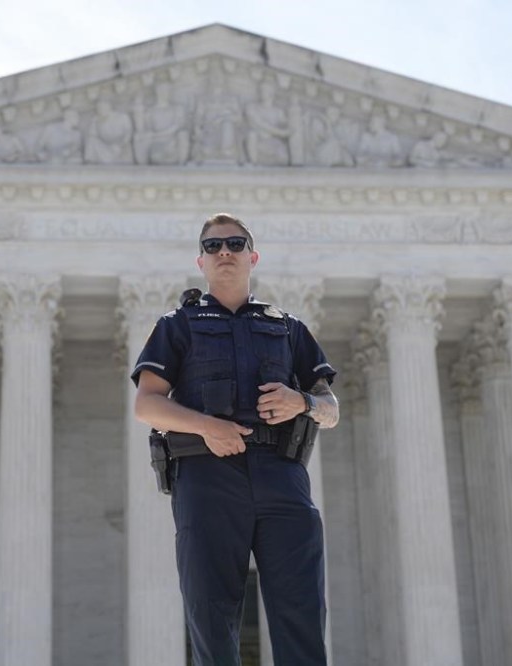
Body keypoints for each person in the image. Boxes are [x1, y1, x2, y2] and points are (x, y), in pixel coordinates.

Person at [131, 213, 339, 665]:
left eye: (235, 243)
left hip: (281, 476)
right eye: (213, 246)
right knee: (210, 611)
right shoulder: (178, 325)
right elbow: (147, 404)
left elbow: (330, 409)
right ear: (201, 261)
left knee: (301, 607)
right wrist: (207, 426)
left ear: (253, 256)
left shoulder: (288, 328)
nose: (224, 252)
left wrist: (299, 402)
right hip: (207, 476)